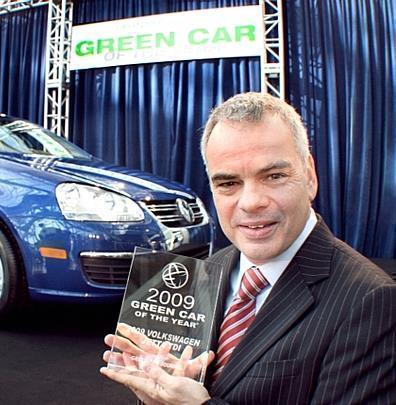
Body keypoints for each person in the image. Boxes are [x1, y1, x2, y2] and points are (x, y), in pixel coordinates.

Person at [100, 92, 396, 404]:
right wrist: (158, 392)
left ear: (309, 176)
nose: (252, 202)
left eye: (274, 176)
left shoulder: (371, 301)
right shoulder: (207, 270)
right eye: (228, 183)